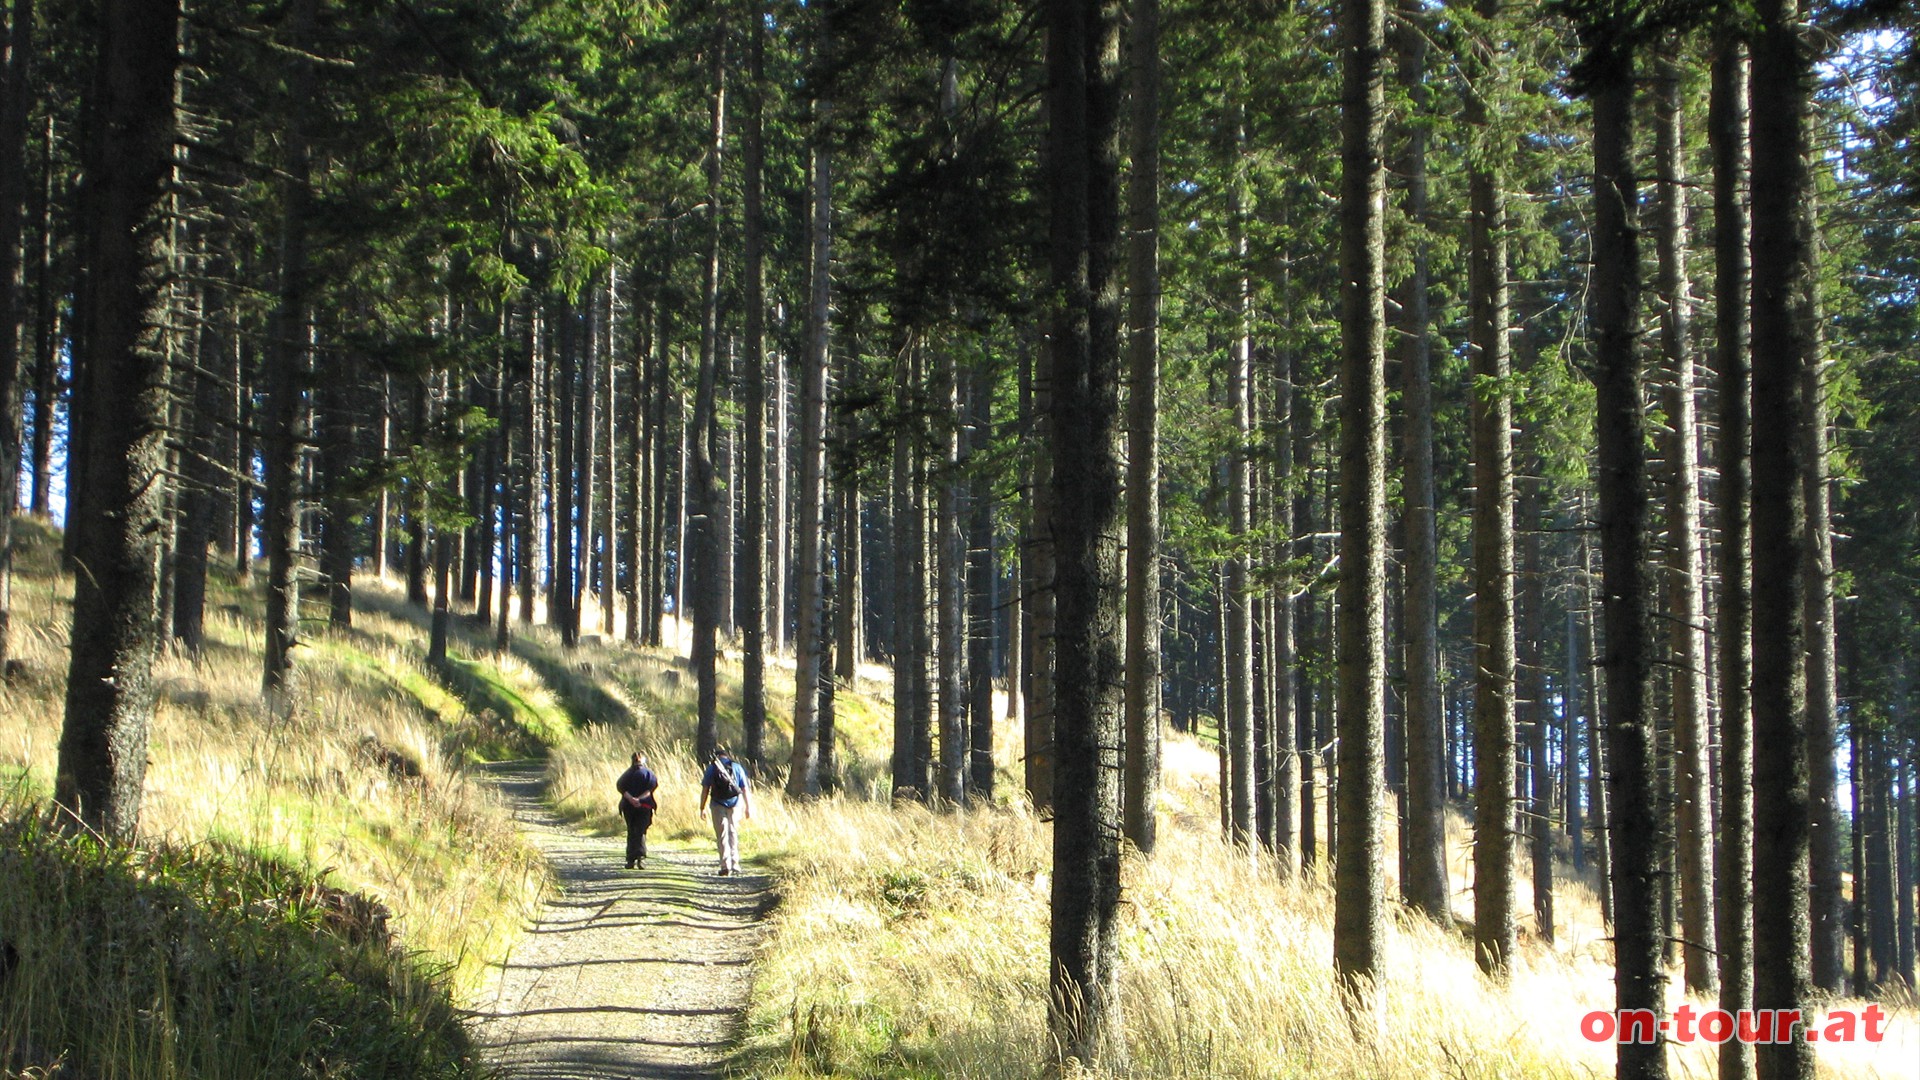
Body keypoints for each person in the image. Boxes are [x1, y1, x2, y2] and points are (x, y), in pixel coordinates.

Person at [699, 746, 751, 876]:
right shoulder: (737, 767)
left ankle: (725, 865)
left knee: (721, 834)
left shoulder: (712, 768)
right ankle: (735, 863)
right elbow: (744, 789)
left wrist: (702, 807)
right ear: (727, 756)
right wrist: (748, 807)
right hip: (735, 804)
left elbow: (705, 789)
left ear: (717, 757)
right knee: (733, 831)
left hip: (717, 803)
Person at [615, 752, 659, 869]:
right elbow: (651, 789)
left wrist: (631, 799)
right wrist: (639, 799)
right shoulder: (648, 774)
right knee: (641, 831)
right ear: (643, 761)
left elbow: (621, 787)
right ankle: (640, 858)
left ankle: (630, 859)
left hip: (628, 807)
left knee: (631, 831)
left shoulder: (626, 774)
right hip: (644, 806)